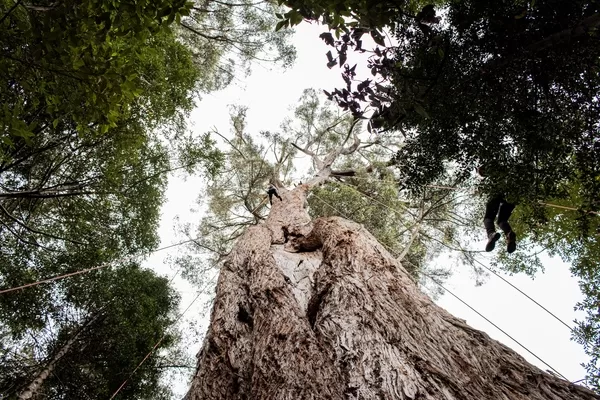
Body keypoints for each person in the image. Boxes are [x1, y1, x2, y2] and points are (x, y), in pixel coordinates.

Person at [478, 167, 517, 253]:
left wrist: (481, 172)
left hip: (498, 193)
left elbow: (484, 171)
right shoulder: (510, 172)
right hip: (513, 197)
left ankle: (492, 234)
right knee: (501, 221)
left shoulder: (495, 170)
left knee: (488, 218)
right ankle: (509, 235)